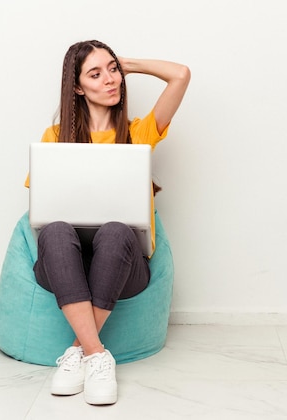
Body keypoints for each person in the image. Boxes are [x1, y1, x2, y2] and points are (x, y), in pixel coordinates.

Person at [25, 40, 190, 405]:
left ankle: (79, 352)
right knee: (55, 230)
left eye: (112, 70)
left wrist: (126, 63)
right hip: (64, 265)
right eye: (96, 74)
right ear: (78, 87)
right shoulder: (54, 139)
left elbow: (180, 75)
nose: (110, 80)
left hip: (124, 267)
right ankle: (98, 356)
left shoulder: (139, 133)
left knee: (116, 230)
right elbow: (39, 212)